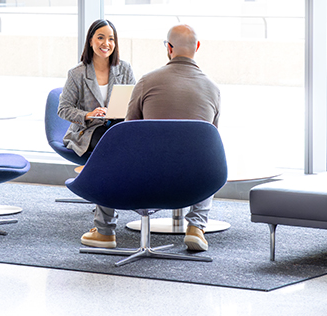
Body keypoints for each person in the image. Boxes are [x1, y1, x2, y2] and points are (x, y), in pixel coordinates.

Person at [80, 24, 220, 252]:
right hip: (193, 184)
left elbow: (127, 134)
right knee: (206, 159)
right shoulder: (213, 89)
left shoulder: (147, 81)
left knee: (109, 155)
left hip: (146, 181)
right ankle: (196, 227)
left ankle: (104, 232)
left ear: (169, 48)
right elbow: (211, 142)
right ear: (197, 47)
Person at [57, 19, 136, 159]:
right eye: (100, 38)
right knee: (109, 143)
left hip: (118, 126)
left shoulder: (125, 69)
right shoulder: (77, 73)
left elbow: (134, 103)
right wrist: (88, 114)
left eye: (111, 39)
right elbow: (63, 109)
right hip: (88, 130)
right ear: (90, 41)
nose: (106, 43)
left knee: (127, 140)